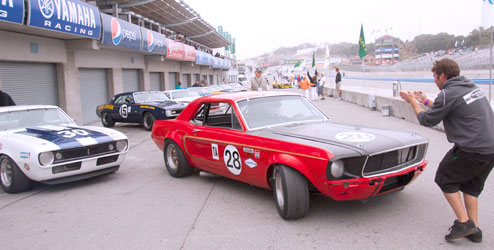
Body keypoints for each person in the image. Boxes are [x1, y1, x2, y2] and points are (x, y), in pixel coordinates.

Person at [399, 58, 494, 243]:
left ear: (443, 75)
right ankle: (474, 230)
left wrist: (412, 102)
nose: (434, 81)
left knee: (444, 178)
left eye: (435, 77)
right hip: (490, 149)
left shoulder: (447, 93)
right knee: (471, 186)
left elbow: (427, 120)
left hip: (472, 149)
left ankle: (464, 223)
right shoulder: (470, 86)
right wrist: (424, 100)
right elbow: (448, 108)